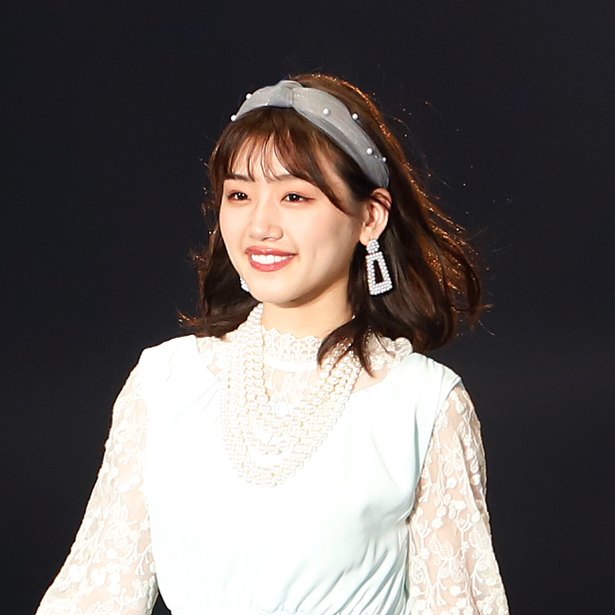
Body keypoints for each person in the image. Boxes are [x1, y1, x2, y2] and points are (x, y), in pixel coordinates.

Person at [36, 74, 508, 614]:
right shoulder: (165, 383)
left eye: (294, 196)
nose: (260, 225)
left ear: (370, 216)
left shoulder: (422, 403)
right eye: (239, 195)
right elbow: (96, 596)